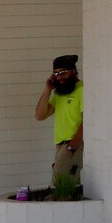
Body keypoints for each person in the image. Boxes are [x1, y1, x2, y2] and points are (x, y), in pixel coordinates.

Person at [34, 53, 84, 186]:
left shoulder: (82, 89)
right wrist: (47, 89)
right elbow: (40, 115)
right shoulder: (60, 94)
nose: (60, 77)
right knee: (59, 187)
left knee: (66, 187)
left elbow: (87, 122)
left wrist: (70, 148)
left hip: (75, 145)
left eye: (63, 72)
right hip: (61, 145)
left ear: (74, 71)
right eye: (56, 74)